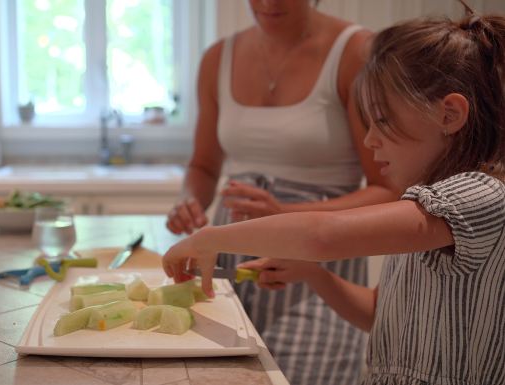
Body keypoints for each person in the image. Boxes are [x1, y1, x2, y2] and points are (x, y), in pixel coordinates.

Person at [163, 4, 505, 384]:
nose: (370, 140)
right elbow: (378, 311)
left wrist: (210, 236)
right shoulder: (422, 203)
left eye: (383, 121)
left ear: (449, 115)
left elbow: (321, 235)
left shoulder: (480, 197)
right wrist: (314, 275)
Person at [166, 1, 396, 383]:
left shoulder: (354, 52)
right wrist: (189, 200)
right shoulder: (217, 59)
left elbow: (388, 190)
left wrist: (286, 211)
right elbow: (203, 167)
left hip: (317, 264)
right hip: (230, 260)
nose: (270, 3)